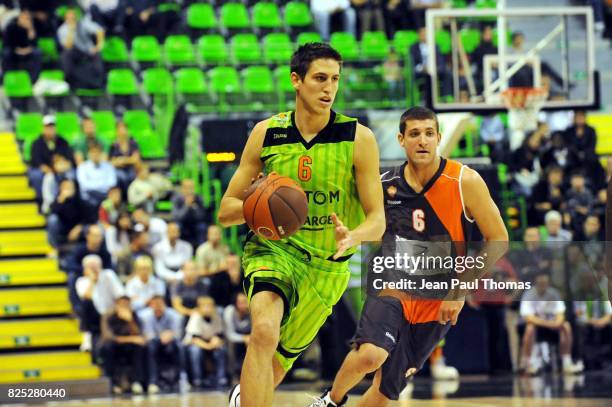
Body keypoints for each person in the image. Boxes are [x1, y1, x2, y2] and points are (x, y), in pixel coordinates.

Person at [218, 42, 385, 406]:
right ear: (296, 80)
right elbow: (226, 210)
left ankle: (242, 397)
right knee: (263, 332)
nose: (329, 88)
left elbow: (378, 221)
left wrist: (353, 235)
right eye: (320, 78)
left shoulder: (359, 139)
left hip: (328, 268)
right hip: (275, 250)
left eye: (335, 80)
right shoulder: (267, 134)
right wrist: (262, 207)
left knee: (276, 365)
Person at [310, 107, 508, 406]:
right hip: (392, 279)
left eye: (429, 133)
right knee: (371, 354)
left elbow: (499, 240)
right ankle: (329, 401)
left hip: (439, 293)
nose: (422, 140)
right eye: (414, 134)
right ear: (401, 139)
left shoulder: (464, 181)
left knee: (386, 389)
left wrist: (459, 290)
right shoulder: (384, 182)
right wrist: (352, 234)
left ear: (439, 137)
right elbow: (371, 226)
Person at [519, 272, 583, 375]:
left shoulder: (554, 293)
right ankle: (529, 364)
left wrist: (557, 323)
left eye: (545, 282)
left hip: (552, 329)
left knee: (566, 326)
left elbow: (560, 314)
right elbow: (528, 318)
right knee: (529, 328)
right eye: (541, 282)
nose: (543, 285)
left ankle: (567, 363)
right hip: (537, 329)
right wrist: (550, 323)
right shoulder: (529, 295)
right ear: (536, 282)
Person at [137, 295, 186, 393]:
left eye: (160, 304)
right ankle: (153, 382)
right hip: (154, 342)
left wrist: (170, 335)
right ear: (151, 305)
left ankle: (182, 379)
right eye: (155, 304)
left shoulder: (174, 315)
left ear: (164, 304)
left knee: (180, 346)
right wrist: (161, 336)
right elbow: (148, 335)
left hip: (171, 341)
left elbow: (178, 333)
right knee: (150, 347)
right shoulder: (144, 316)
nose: (158, 306)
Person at [75, 254, 124, 353]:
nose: (95, 270)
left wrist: (117, 309)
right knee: (85, 303)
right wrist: (92, 281)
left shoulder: (109, 275)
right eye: (91, 267)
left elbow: (120, 295)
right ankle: (87, 336)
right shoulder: (81, 281)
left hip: (111, 313)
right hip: (95, 317)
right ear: (85, 269)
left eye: (96, 266)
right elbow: (87, 296)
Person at [100, 296, 147, 394]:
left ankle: (136, 382)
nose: (125, 306)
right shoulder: (107, 315)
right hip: (113, 345)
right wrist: (131, 339)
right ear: (116, 305)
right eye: (122, 304)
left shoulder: (133, 315)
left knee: (139, 347)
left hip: (129, 345)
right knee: (109, 346)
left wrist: (130, 321)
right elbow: (109, 337)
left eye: (127, 304)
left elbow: (139, 335)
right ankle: (112, 382)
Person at [29, 115, 75, 200]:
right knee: (36, 176)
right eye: (47, 127)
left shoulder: (63, 142)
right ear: (43, 128)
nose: (50, 129)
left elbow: (69, 159)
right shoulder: (36, 143)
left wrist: (63, 166)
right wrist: (51, 171)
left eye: (52, 127)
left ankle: (70, 200)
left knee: (72, 174)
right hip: (43, 170)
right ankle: (41, 200)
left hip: (61, 168)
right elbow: (37, 162)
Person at [57, 7, 105, 89]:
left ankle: (98, 83)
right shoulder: (62, 29)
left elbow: (99, 30)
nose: (72, 17)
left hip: (88, 51)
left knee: (97, 57)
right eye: (69, 15)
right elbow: (68, 46)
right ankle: (72, 83)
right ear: (65, 17)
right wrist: (71, 30)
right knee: (65, 55)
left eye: (73, 15)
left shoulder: (83, 23)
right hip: (74, 52)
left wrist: (99, 45)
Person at [184, 296, 227, 388]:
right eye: (204, 306)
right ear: (199, 307)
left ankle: (221, 378)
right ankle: (197, 379)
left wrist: (216, 340)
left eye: (210, 306)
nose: (207, 308)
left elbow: (220, 334)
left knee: (221, 349)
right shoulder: (195, 317)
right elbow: (194, 338)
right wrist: (209, 346)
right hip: (194, 343)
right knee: (195, 351)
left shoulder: (216, 316)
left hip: (209, 342)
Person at [76, 141, 117, 213]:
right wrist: (102, 184)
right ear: (88, 154)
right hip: (89, 197)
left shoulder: (109, 166)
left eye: (98, 152)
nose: (95, 154)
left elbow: (112, 183)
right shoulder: (82, 167)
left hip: (105, 195)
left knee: (112, 200)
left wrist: (94, 184)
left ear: (101, 153)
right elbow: (84, 185)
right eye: (93, 152)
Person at [2, 9, 42, 81]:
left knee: (37, 52)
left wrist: (30, 29)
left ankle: (33, 80)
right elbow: (8, 42)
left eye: (27, 18)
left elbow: (34, 44)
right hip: (14, 49)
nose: (25, 20)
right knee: (6, 53)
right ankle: (7, 78)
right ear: (19, 17)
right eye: (23, 17)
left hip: (27, 50)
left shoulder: (31, 28)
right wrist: (17, 50)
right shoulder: (11, 27)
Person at [171, 178, 209, 248]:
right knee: (177, 226)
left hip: (195, 223)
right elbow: (177, 217)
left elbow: (201, 216)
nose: (189, 190)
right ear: (182, 188)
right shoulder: (176, 199)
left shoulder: (198, 198)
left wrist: (194, 208)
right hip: (182, 223)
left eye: (191, 188)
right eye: (187, 188)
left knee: (202, 227)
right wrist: (186, 206)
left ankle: (200, 249)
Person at [223, 292, 251, 378]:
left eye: (245, 302)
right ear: (235, 303)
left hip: (249, 336)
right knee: (231, 345)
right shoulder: (229, 311)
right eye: (241, 302)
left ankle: (252, 373)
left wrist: (250, 338)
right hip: (232, 338)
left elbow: (256, 330)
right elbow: (229, 334)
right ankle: (233, 374)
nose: (244, 305)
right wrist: (244, 338)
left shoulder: (253, 310)